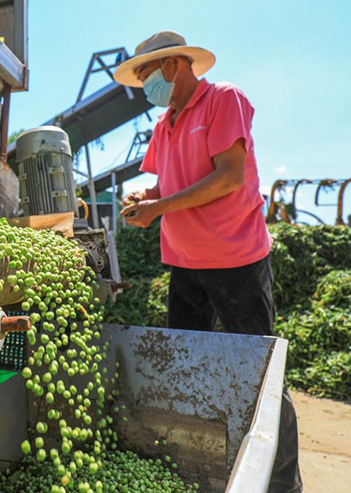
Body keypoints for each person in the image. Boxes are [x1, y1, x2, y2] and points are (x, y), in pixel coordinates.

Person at [114, 31, 302, 493]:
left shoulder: (223, 100)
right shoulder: (167, 123)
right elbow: (162, 185)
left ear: (175, 65)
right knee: (188, 365)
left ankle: (281, 485)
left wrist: (159, 208)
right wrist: (145, 197)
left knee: (259, 376)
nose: (145, 85)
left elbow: (228, 178)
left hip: (236, 258)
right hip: (185, 263)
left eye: (147, 74)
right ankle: (201, 468)